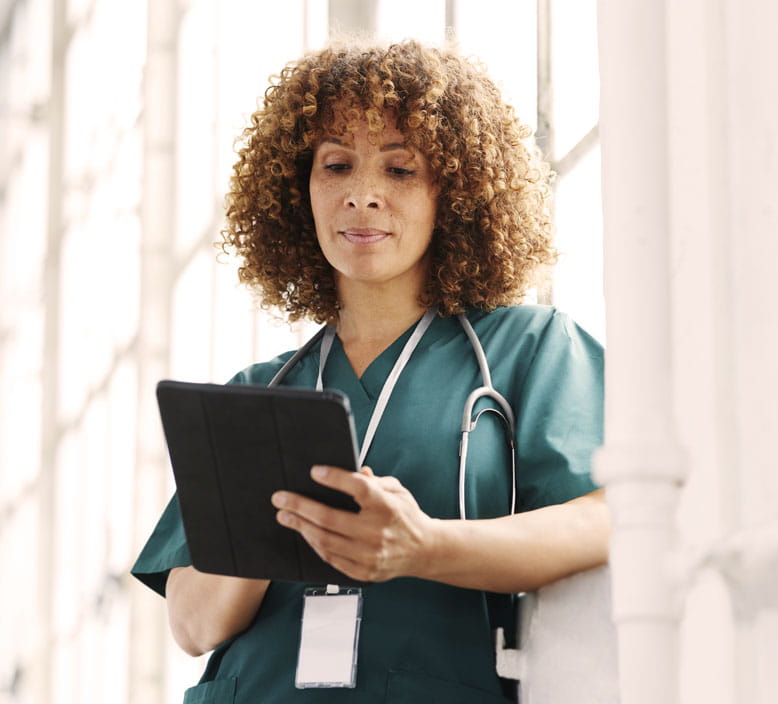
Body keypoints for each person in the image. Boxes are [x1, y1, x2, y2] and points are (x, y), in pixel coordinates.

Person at [132, 38, 608, 703]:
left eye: (400, 170)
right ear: (300, 190)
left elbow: (610, 515)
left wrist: (427, 547)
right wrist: (275, 519)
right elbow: (190, 622)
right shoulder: (259, 393)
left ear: (456, 190)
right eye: (336, 165)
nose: (363, 196)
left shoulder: (527, 350)